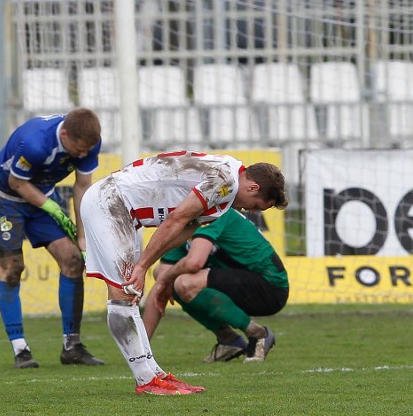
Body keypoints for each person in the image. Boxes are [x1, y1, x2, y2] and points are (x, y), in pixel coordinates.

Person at [80, 150, 287, 395]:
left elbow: (186, 227)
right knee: (123, 294)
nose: (252, 211)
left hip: (124, 210)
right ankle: (146, 380)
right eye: (257, 206)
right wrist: (143, 266)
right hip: (110, 202)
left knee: (130, 294)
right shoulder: (226, 181)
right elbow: (176, 219)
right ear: (252, 187)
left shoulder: (226, 187)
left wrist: (146, 265)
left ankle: (154, 374)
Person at [0, 108, 105, 368]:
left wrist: (82, 237)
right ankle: (20, 350)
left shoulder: (89, 143)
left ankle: (72, 347)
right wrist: (51, 208)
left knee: (73, 259)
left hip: (41, 193)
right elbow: (17, 183)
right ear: (64, 135)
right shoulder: (37, 143)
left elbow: (82, 186)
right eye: (79, 150)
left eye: (87, 151)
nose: (83, 155)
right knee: (12, 268)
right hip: (5, 196)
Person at [142, 208, 289, 363]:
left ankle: (258, 333)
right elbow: (161, 279)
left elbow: (193, 263)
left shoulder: (215, 214)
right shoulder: (184, 226)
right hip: (235, 283)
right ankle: (228, 340)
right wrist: (141, 348)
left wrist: (166, 277)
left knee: (184, 282)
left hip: (270, 288)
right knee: (165, 276)